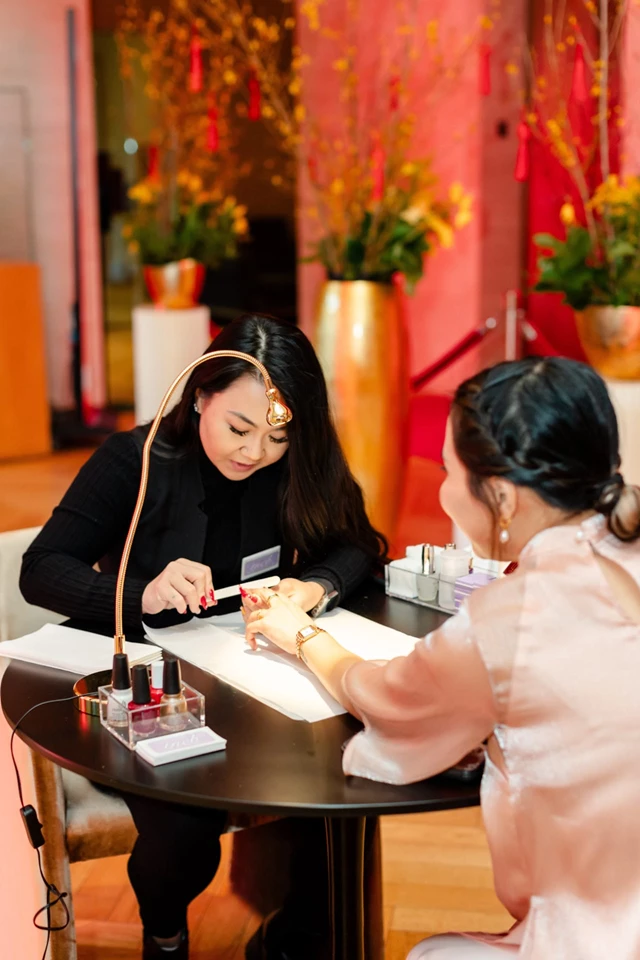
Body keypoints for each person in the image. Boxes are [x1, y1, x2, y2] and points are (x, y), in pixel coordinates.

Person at [244, 356, 640, 959]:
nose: (442, 486)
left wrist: (299, 634)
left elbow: (385, 696)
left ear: (502, 497)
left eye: (448, 468)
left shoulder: (512, 619)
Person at [20, 314, 386, 960]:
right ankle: (165, 932)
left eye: (277, 436)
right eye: (238, 428)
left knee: (342, 783)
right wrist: (143, 595)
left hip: (256, 678)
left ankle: (296, 940)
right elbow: (42, 569)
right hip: (151, 690)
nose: (255, 453)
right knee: (184, 829)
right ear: (199, 396)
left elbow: (359, 546)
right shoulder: (135, 460)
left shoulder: (296, 461)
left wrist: (311, 588)